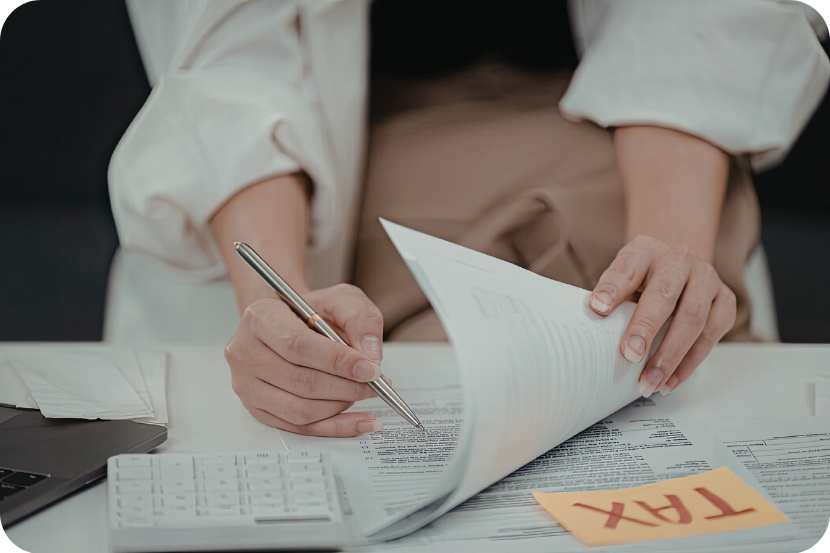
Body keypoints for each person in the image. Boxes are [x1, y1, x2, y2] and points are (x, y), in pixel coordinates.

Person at [107, 0, 829, 438]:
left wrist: (670, 250)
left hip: (632, 139)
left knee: (685, 404)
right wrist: (275, 305)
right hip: (325, 162)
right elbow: (232, 65)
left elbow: (696, 20)